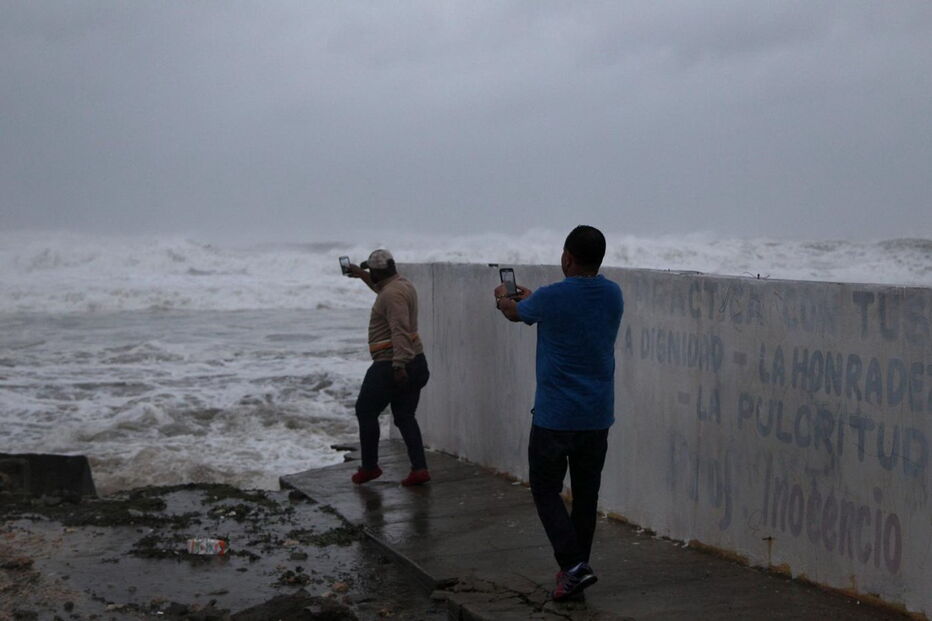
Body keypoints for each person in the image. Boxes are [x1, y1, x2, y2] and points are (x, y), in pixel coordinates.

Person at [493, 225, 623, 602]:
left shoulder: (552, 298)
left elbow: (516, 313)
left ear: (567, 257)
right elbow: (563, 309)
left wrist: (503, 297)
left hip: (555, 416)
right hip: (597, 415)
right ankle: (574, 573)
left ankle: (573, 565)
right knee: (585, 496)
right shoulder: (613, 294)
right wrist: (535, 301)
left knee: (544, 489)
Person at [345, 249, 431, 487]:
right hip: (417, 360)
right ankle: (419, 469)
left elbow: (399, 327)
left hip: (391, 362)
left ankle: (370, 467)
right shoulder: (401, 285)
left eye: (370, 270)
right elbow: (382, 290)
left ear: (378, 272)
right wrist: (363, 274)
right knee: (404, 416)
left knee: (365, 411)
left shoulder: (391, 295)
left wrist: (399, 364)